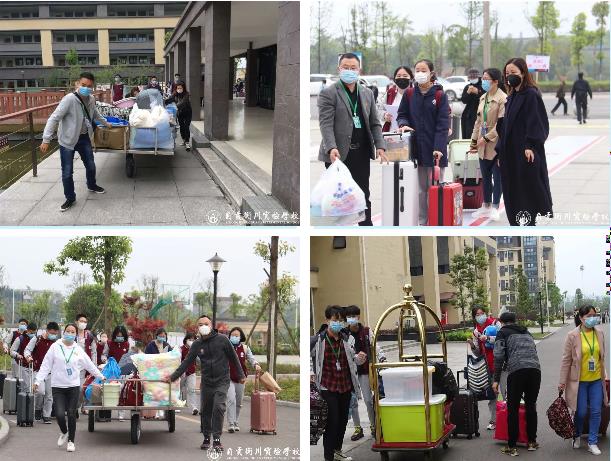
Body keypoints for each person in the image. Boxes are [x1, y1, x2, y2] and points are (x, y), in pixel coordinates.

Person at [317, 52, 388, 226]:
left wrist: (380, 145)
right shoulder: (329, 93)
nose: (349, 70)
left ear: (359, 70)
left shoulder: (367, 93)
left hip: (361, 153)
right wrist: (331, 147)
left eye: (353, 68)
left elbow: (374, 123)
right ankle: (341, 233)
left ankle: (366, 228)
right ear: (339, 69)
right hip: (338, 155)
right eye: (345, 67)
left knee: (363, 194)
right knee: (339, 199)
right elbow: (326, 124)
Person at [166, 315, 245, 452]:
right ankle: (207, 437)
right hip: (207, 381)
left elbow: (234, 358)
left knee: (219, 407)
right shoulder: (197, 344)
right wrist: (172, 377)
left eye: (206, 323)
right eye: (200, 324)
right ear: (197, 328)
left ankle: (217, 439)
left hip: (222, 380)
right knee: (206, 410)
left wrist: (241, 375)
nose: (203, 326)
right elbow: (186, 362)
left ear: (211, 325)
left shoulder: (223, 340)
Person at [41, 72, 110, 212]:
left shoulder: (91, 99)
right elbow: (54, 118)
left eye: (89, 86)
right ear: (77, 84)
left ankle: (92, 185)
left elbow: (94, 113)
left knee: (91, 165)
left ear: (92, 87)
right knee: (67, 172)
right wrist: (46, 139)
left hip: (84, 138)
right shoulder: (69, 99)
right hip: (68, 140)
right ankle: (70, 198)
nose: (86, 88)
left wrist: (105, 123)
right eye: (83, 85)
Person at [496, 58, 552, 226]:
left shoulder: (531, 95)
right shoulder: (512, 96)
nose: (509, 76)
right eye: (507, 73)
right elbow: (505, 127)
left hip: (524, 153)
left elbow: (536, 122)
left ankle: (527, 225)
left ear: (523, 73)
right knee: (512, 191)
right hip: (510, 154)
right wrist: (500, 151)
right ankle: (517, 224)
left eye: (513, 72)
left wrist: (530, 146)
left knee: (526, 192)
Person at [34, 323, 105, 453]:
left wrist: (100, 376)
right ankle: (64, 431)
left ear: (76, 334)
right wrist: (38, 381)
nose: (70, 334)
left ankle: (71, 441)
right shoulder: (55, 347)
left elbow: (89, 364)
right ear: (64, 332)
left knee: (71, 413)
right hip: (58, 386)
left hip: (73, 386)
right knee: (60, 414)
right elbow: (45, 365)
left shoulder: (78, 349)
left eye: (73, 332)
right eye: (68, 331)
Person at [397, 59, 450, 225]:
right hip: (417, 150)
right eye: (417, 70)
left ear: (431, 73)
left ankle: (436, 220)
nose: (420, 73)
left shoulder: (440, 96)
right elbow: (402, 114)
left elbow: (443, 124)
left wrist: (438, 148)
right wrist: (403, 124)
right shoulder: (409, 94)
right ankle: (422, 221)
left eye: (423, 70)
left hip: (435, 151)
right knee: (421, 190)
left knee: (435, 189)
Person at [311, 305, 363, 461]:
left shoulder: (346, 339)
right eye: (335, 320)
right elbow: (307, 356)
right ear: (327, 320)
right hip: (328, 387)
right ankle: (329, 456)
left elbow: (352, 358)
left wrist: (359, 359)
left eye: (341, 320)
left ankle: (337, 451)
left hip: (345, 386)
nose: (338, 323)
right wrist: (310, 372)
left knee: (342, 422)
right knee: (332, 423)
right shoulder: (318, 340)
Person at [559, 305, 608, 456]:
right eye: (589, 316)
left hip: (596, 380)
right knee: (580, 412)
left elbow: (601, 358)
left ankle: (592, 442)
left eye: (594, 315)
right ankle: (577, 434)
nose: (593, 318)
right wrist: (562, 381)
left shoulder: (599, 333)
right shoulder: (572, 335)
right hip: (579, 381)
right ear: (581, 318)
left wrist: (605, 374)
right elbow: (566, 360)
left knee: (596, 411)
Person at [492, 311, 541, 456]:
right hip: (535, 370)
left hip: (517, 371)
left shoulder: (502, 333)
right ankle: (532, 442)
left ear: (501, 322)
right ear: (514, 321)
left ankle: (512, 446)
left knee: (512, 408)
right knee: (531, 405)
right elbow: (534, 351)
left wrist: (496, 380)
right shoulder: (526, 332)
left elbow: (498, 357)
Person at [469, 68, 507, 221]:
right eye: (483, 78)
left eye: (486, 79)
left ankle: (495, 207)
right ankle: (486, 205)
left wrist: (486, 138)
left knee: (497, 177)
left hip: (497, 144)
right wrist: (473, 142)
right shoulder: (483, 97)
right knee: (485, 176)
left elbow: (501, 125)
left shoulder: (503, 99)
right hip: (482, 144)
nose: (483, 81)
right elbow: (478, 122)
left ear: (496, 81)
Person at [344, 305, 386, 441]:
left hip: (365, 371)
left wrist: (382, 358)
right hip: (350, 372)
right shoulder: (344, 334)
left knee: (368, 400)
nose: (351, 319)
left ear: (358, 316)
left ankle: (373, 426)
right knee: (353, 402)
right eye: (349, 317)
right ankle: (358, 428)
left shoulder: (367, 331)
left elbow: (376, 347)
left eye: (353, 316)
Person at [468, 307, 502, 431]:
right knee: (492, 395)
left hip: (502, 364)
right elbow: (478, 353)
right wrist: (472, 345)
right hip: (488, 367)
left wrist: (487, 338)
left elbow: (503, 339)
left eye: (482, 313)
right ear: (474, 317)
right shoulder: (476, 331)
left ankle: (509, 419)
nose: (480, 316)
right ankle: (494, 421)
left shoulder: (495, 323)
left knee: (506, 393)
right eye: (477, 314)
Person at [226, 327, 261, 433]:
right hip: (228, 378)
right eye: (232, 335)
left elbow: (251, 358)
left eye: (236, 335)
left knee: (238, 402)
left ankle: (236, 421)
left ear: (240, 337)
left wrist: (256, 364)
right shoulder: (226, 347)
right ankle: (231, 423)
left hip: (241, 378)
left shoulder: (245, 348)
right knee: (231, 399)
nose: (234, 337)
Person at [24, 321, 59, 424]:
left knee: (49, 395)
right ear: (47, 331)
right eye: (52, 333)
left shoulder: (56, 343)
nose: (53, 335)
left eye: (55, 334)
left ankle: (46, 415)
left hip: (51, 372)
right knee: (40, 391)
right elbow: (27, 350)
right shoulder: (37, 339)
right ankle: (37, 409)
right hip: (38, 370)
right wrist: (28, 357)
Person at [74, 313, 96, 415]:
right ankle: (75, 407)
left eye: (85, 322)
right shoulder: (72, 334)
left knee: (83, 388)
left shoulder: (90, 336)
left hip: (85, 367)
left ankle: (82, 406)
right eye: (81, 321)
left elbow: (94, 352)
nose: (83, 323)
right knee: (75, 388)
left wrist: (93, 365)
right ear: (76, 322)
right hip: (73, 366)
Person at [381, 66, 414, 132]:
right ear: (394, 79)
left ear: (411, 78)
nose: (401, 78)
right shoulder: (390, 92)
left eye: (405, 76)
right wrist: (385, 115)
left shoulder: (416, 93)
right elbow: (380, 109)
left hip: (410, 132)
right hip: (392, 133)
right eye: (398, 76)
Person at [164, 81, 193, 150]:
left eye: (180, 88)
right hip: (180, 113)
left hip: (187, 112)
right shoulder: (175, 94)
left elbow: (183, 102)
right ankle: (184, 140)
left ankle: (187, 142)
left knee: (186, 126)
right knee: (182, 127)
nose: (179, 89)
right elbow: (170, 99)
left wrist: (175, 106)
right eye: (178, 88)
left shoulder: (187, 94)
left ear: (183, 88)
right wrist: (164, 101)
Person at [10, 321, 37, 391]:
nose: (33, 335)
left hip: (34, 367)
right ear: (27, 330)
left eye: (34, 333)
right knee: (25, 388)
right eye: (31, 333)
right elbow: (12, 351)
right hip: (23, 366)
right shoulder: (20, 338)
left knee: (35, 389)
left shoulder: (37, 340)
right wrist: (17, 355)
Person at [461, 68, 485, 139]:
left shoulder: (483, 86)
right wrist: (468, 92)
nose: (472, 79)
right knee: (467, 135)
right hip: (468, 115)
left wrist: (478, 92)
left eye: (474, 77)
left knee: (478, 136)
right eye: (471, 77)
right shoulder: (467, 87)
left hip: (480, 114)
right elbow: (464, 100)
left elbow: (486, 97)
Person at [180, 332, 200, 416]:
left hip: (191, 372)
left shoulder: (195, 349)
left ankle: (194, 408)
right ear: (186, 340)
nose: (191, 341)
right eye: (190, 339)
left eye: (193, 340)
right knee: (179, 389)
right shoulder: (181, 349)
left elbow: (199, 361)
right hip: (181, 373)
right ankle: (177, 405)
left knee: (192, 390)